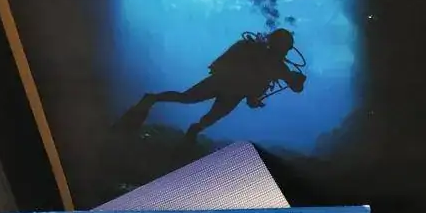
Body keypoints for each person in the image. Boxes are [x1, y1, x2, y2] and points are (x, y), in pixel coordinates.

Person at [117, 28, 306, 140]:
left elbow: (294, 87)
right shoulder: (259, 53)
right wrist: (293, 83)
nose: (286, 52)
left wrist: (296, 82)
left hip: (228, 90)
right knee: (190, 101)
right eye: (286, 47)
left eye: (288, 48)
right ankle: (153, 101)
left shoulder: (278, 66)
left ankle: (188, 129)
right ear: (277, 44)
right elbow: (289, 86)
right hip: (223, 84)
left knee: (203, 112)